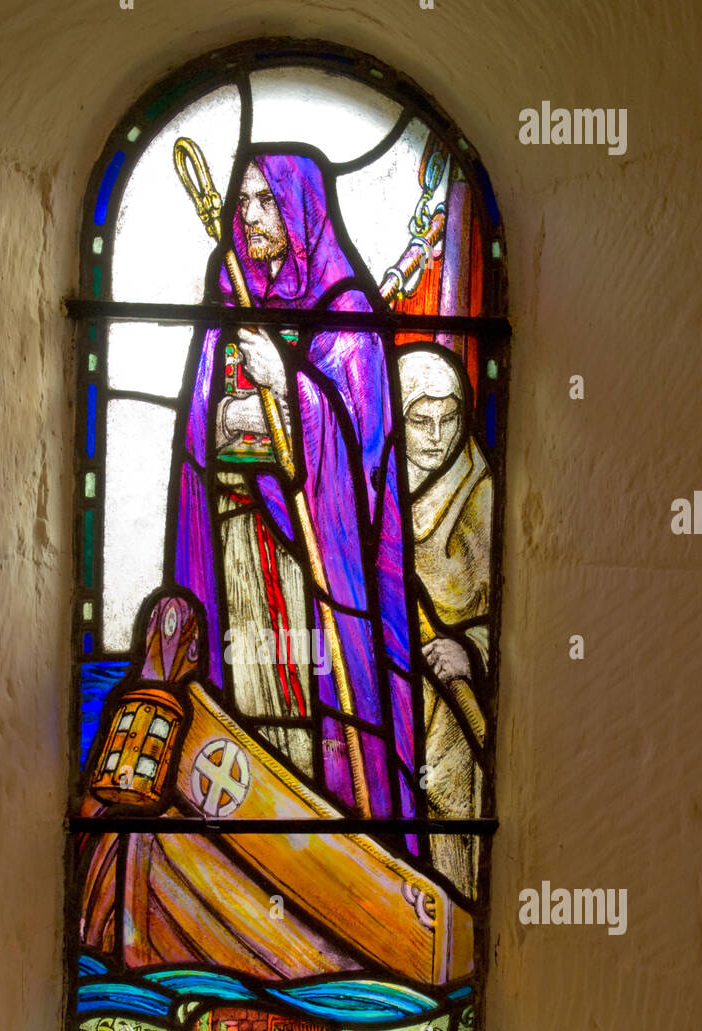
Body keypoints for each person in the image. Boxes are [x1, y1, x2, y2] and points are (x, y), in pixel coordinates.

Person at [170, 152, 420, 820]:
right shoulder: (230, 296)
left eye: (264, 201)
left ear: (301, 210)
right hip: (239, 540)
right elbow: (198, 426)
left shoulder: (347, 309)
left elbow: (361, 444)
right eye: (242, 201)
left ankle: (334, 826)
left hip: (313, 556)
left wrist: (287, 384)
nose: (248, 215)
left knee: (315, 696)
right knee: (253, 690)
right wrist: (226, 419)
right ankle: (250, 818)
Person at [398, 349, 493, 898]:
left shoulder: (478, 489)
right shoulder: (373, 479)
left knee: (446, 817)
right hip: (394, 686)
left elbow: (506, 620)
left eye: (449, 418)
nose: (436, 435)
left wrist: (472, 651)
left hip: (456, 707)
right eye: (420, 419)